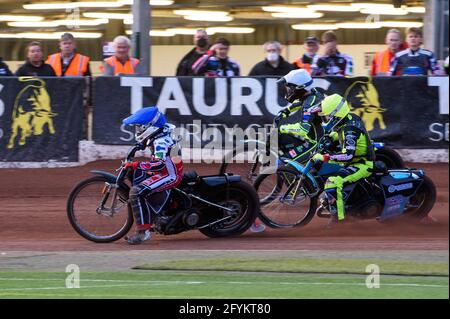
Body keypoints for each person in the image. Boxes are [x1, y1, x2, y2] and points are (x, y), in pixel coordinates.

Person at [122, 106, 183, 244]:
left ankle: (143, 233)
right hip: (163, 171)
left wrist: (138, 164)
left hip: (169, 175)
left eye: (140, 127)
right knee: (135, 175)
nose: (137, 131)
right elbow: (148, 142)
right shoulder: (162, 130)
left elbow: (159, 164)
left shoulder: (161, 142)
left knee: (136, 192)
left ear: (150, 126)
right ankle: (152, 211)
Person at [311, 94, 375, 227]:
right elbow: (340, 133)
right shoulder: (349, 118)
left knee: (332, 182)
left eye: (326, 116)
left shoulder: (350, 130)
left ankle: (339, 221)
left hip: (361, 164)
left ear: (335, 115)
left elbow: (347, 156)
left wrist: (324, 157)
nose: (324, 119)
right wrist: (330, 137)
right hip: (355, 160)